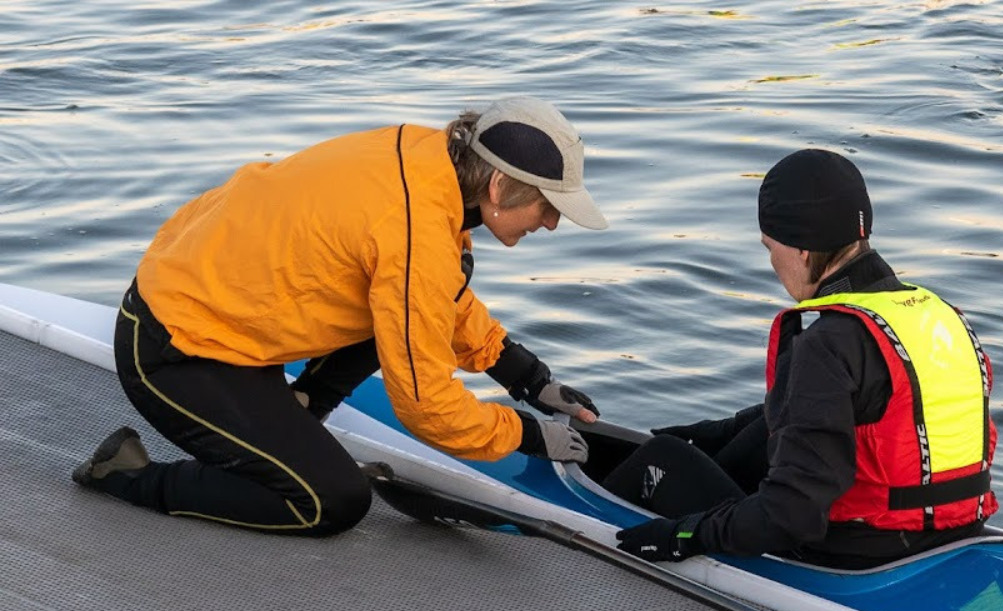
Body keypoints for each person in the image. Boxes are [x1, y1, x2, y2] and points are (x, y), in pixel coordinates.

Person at [73, 97, 606, 537]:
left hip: (223, 318)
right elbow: (426, 406)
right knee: (329, 502)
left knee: (403, 303)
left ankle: (299, 411)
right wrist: (524, 436)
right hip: (174, 350)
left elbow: (433, 292)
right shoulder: (414, 229)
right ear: (497, 188)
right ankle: (126, 474)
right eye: (547, 206)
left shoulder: (430, 160)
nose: (553, 223)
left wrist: (523, 376)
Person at [613, 149, 998, 570]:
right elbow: (868, 413)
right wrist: (720, 431)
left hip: (853, 554)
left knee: (663, 456)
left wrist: (683, 536)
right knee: (746, 437)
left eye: (770, 247)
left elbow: (791, 517)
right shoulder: (939, 316)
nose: (772, 262)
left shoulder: (827, 342)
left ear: (799, 247)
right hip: (951, 534)